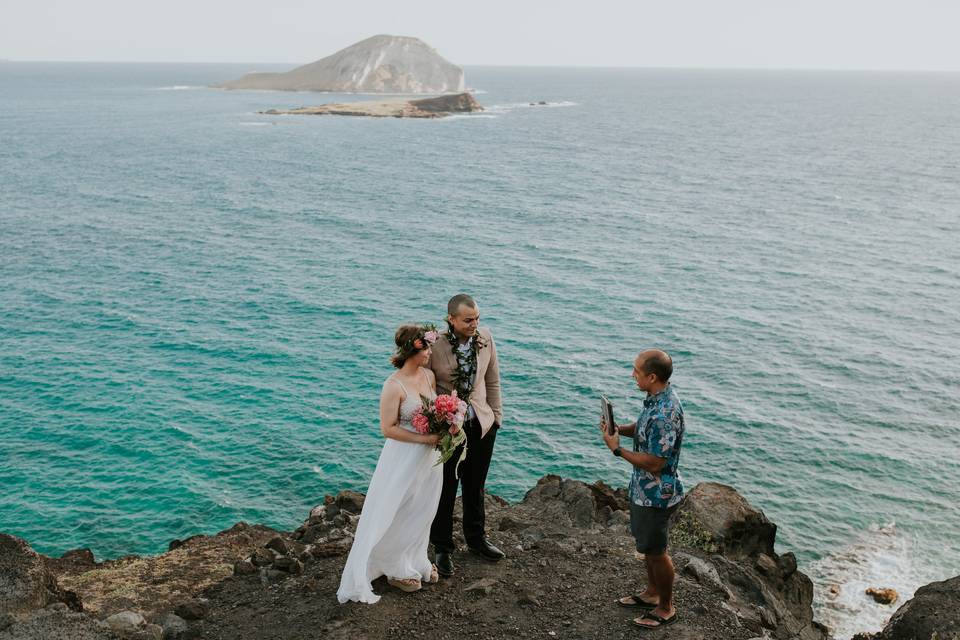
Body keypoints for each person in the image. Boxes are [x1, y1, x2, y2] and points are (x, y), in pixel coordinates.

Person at [336, 324, 444, 604]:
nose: (431, 353)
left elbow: (436, 410)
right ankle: (395, 568)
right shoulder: (393, 385)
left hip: (430, 458)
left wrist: (447, 428)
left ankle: (415, 558)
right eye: (427, 347)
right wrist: (425, 439)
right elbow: (388, 428)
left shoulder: (430, 376)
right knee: (397, 507)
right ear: (414, 350)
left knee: (423, 508)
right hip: (403, 456)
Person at [600, 349, 685, 630]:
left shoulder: (665, 413)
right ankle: (652, 593)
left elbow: (656, 462)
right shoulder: (655, 401)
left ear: (652, 376)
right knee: (648, 548)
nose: (631, 375)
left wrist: (617, 451)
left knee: (657, 551)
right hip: (643, 491)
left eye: (636, 371)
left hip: (657, 494)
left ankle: (666, 607)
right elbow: (643, 428)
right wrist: (619, 429)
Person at [429, 294, 504, 576]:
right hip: (449, 430)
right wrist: (438, 422)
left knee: (475, 486)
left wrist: (496, 418)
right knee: (446, 488)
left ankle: (476, 540)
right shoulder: (434, 345)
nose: (475, 324)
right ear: (451, 319)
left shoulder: (486, 338)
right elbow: (426, 387)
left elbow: (492, 379)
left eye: (477, 318)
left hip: (482, 426)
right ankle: (442, 547)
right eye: (468, 320)